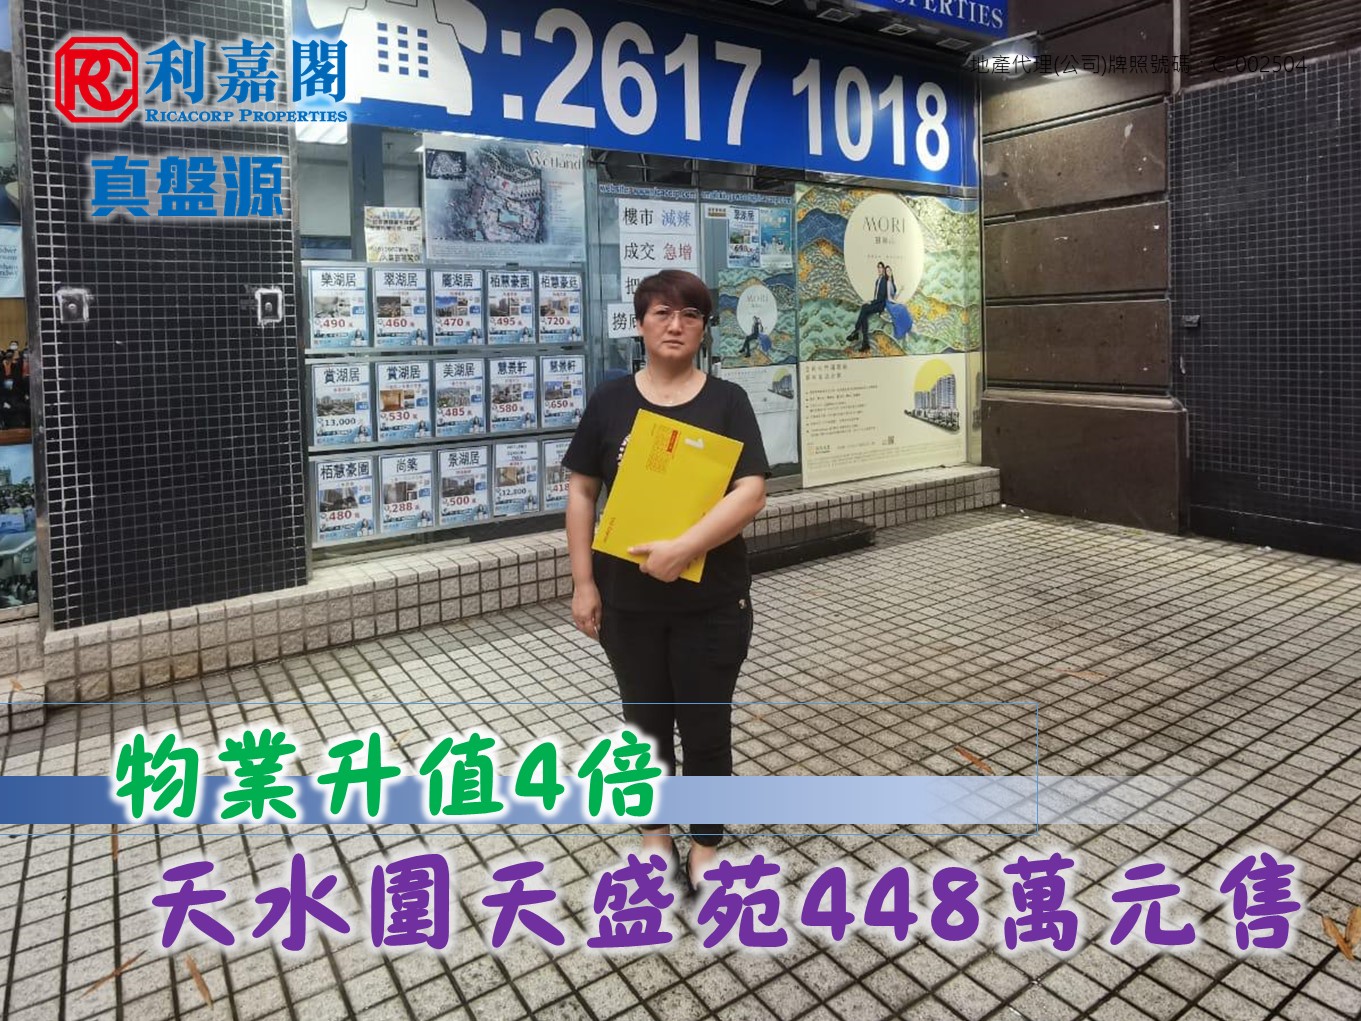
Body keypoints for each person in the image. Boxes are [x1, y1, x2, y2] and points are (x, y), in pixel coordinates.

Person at [562, 269, 769, 895]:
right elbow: (582, 491)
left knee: (706, 727)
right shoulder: (610, 401)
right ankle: (654, 836)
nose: (675, 325)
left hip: (713, 601)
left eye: (690, 315)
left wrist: (685, 548)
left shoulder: (728, 401)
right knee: (644, 726)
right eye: (661, 313)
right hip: (628, 602)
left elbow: (751, 491)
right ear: (640, 324)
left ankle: (705, 844)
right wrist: (583, 583)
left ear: (704, 329)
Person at [847, 261, 889, 352]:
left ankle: (856, 331)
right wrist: (870, 302)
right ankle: (865, 343)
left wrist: (871, 302)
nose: (879, 269)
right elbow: (876, 296)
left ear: (883, 269)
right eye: (878, 267)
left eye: (881, 267)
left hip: (880, 305)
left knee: (864, 308)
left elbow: (881, 298)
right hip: (877, 303)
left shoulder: (884, 280)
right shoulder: (878, 280)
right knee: (864, 314)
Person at [883, 265, 914, 341]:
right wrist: (899, 303)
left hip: (892, 302)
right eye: (887, 271)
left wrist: (900, 291)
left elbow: (894, 298)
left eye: (889, 270)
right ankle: (903, 332)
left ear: (891, 271)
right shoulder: (888, 282)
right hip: (888, 303)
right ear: (885, 273)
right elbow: (889, 298)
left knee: (903, 307)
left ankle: (907, 330)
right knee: (902, 308)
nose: (889, 272)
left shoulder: (892, 282)